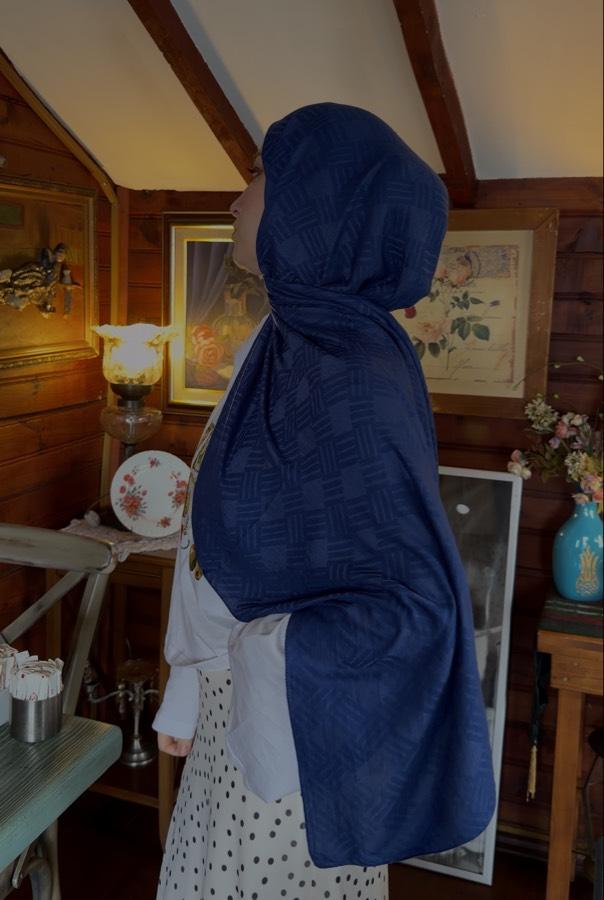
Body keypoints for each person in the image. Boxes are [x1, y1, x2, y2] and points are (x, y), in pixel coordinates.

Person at [153, 102, 496, 900]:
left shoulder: (355, 375)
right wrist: (190, 686)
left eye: (258, 176)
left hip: (298, 755)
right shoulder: (278, 342)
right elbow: (217, 540)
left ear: (318, 202)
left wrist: (252, 657)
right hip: (231, 731)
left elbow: (413, 609)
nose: (236, 200)